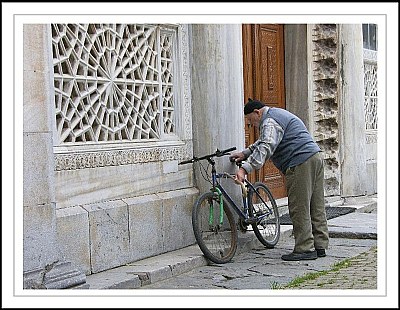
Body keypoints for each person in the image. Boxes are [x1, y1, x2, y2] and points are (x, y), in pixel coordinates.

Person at [230, 99, 329, 261]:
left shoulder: (269, 121)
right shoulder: (277, 115)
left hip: (300, 162)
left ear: (257, 112)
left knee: (299, 206)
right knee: (316, 205)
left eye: (250, 120)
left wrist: (244, 168)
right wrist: (245, 153)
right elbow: (265, 140)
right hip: (314, 157)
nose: (251, 124)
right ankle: (320, 245)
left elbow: (267, 144)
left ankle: (304, 248)